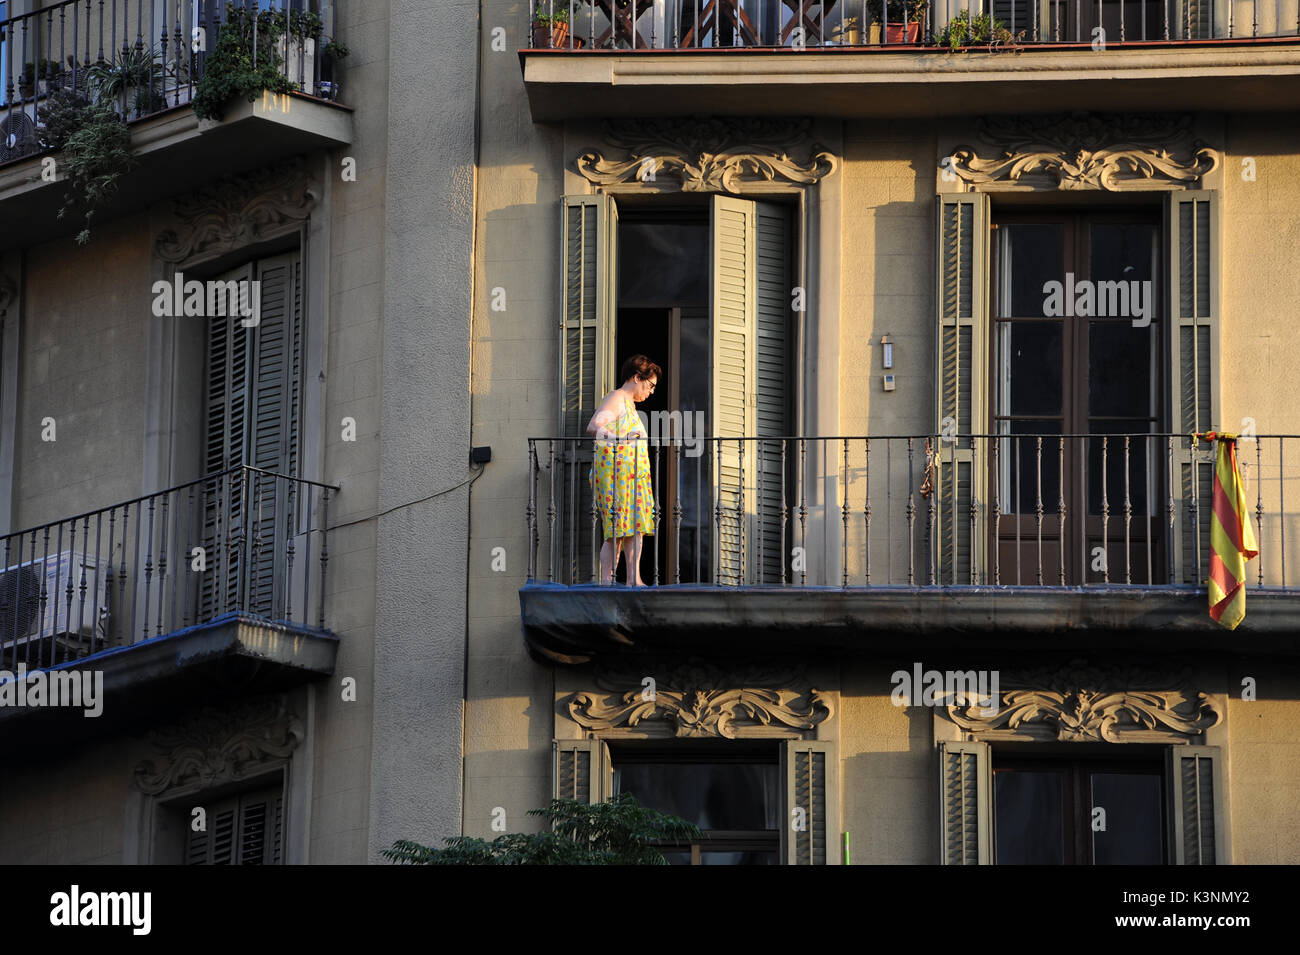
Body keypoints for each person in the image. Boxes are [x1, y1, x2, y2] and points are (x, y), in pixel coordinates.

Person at [587, 355, 661, 585]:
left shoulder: (629, 406)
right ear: (637, 377)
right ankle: (609, 582)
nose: (651, 392)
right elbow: (593, 427)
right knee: (617, 531)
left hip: (631, 477)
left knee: (634, 527)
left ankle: (633, 579)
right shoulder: (617, 398)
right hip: (615, 475)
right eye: (650, 385)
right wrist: (620, 437)